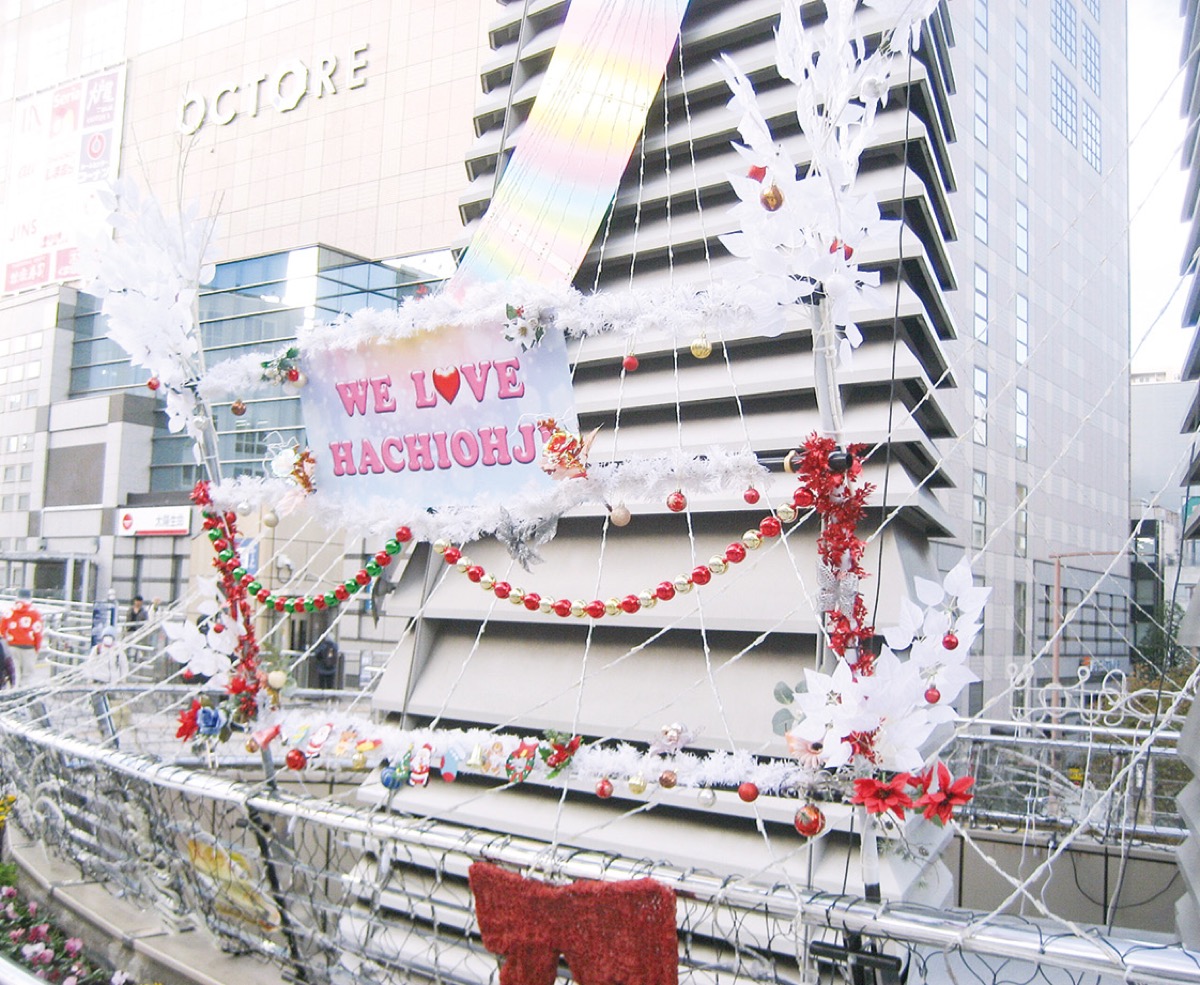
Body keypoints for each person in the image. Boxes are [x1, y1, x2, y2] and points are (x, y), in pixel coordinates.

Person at [1, 589, 44, 686]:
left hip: (12, 647)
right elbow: (38, 633)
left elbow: (2, 631)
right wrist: (36, 648)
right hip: (29, 648)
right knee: (27, 676)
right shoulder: (35, 614)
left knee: (14, 674)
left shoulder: (9, 612)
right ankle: (24, 698)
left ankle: (14, 695)